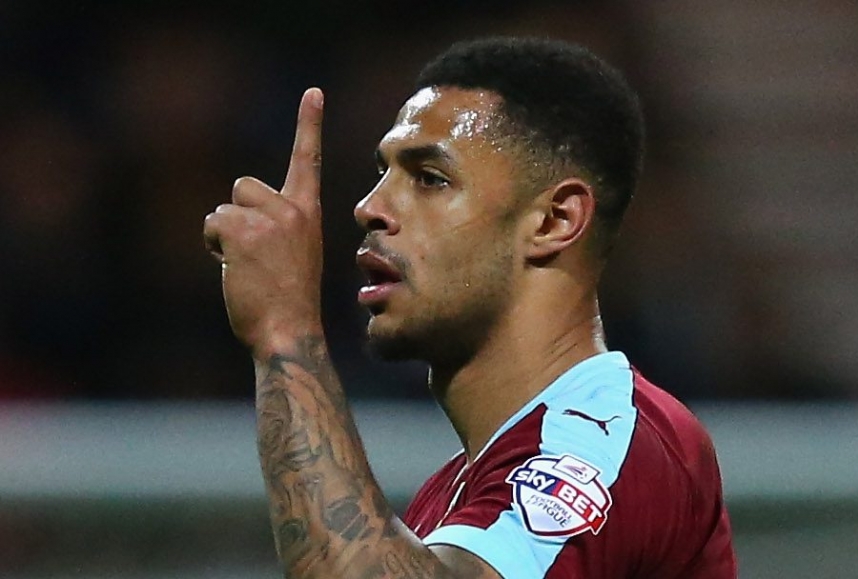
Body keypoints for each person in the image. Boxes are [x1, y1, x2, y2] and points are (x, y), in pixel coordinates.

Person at [203, 37, 736, 578]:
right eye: (382, 174)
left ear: (554, 222)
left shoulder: (602, 441)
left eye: (430, 179)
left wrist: (286, 334)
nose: (370, 208)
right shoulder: (456, 495)